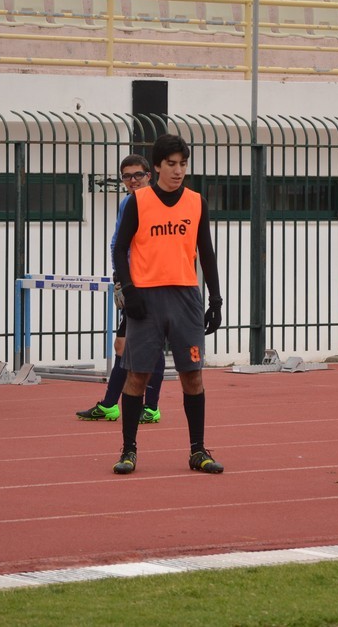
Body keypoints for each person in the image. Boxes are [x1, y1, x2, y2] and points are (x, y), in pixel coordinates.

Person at [110, 134, 225, 476]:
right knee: (137, 375)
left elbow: (206, 252)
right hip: (146, 298)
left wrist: (215, 299)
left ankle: (197, 451)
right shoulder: (138, 201)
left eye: (183, 164)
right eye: (171, 164)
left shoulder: (196, 202)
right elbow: (119, 248)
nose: (178, 171)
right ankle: (128, 450)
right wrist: (130, 291)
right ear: (157, 167)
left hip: (185, 297)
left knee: (193, 375)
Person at [76, 154, 167, 424]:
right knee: (122, 345)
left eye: (138, 175)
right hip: (131, 283)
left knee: (149, 346)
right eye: (126, 176)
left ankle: (150, 407)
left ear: (149, 175)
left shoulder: (158, 203)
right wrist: (120, 280)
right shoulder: (127, 203)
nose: (132, 180)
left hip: (153, 284)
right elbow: (117, 243)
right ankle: (109, 405)